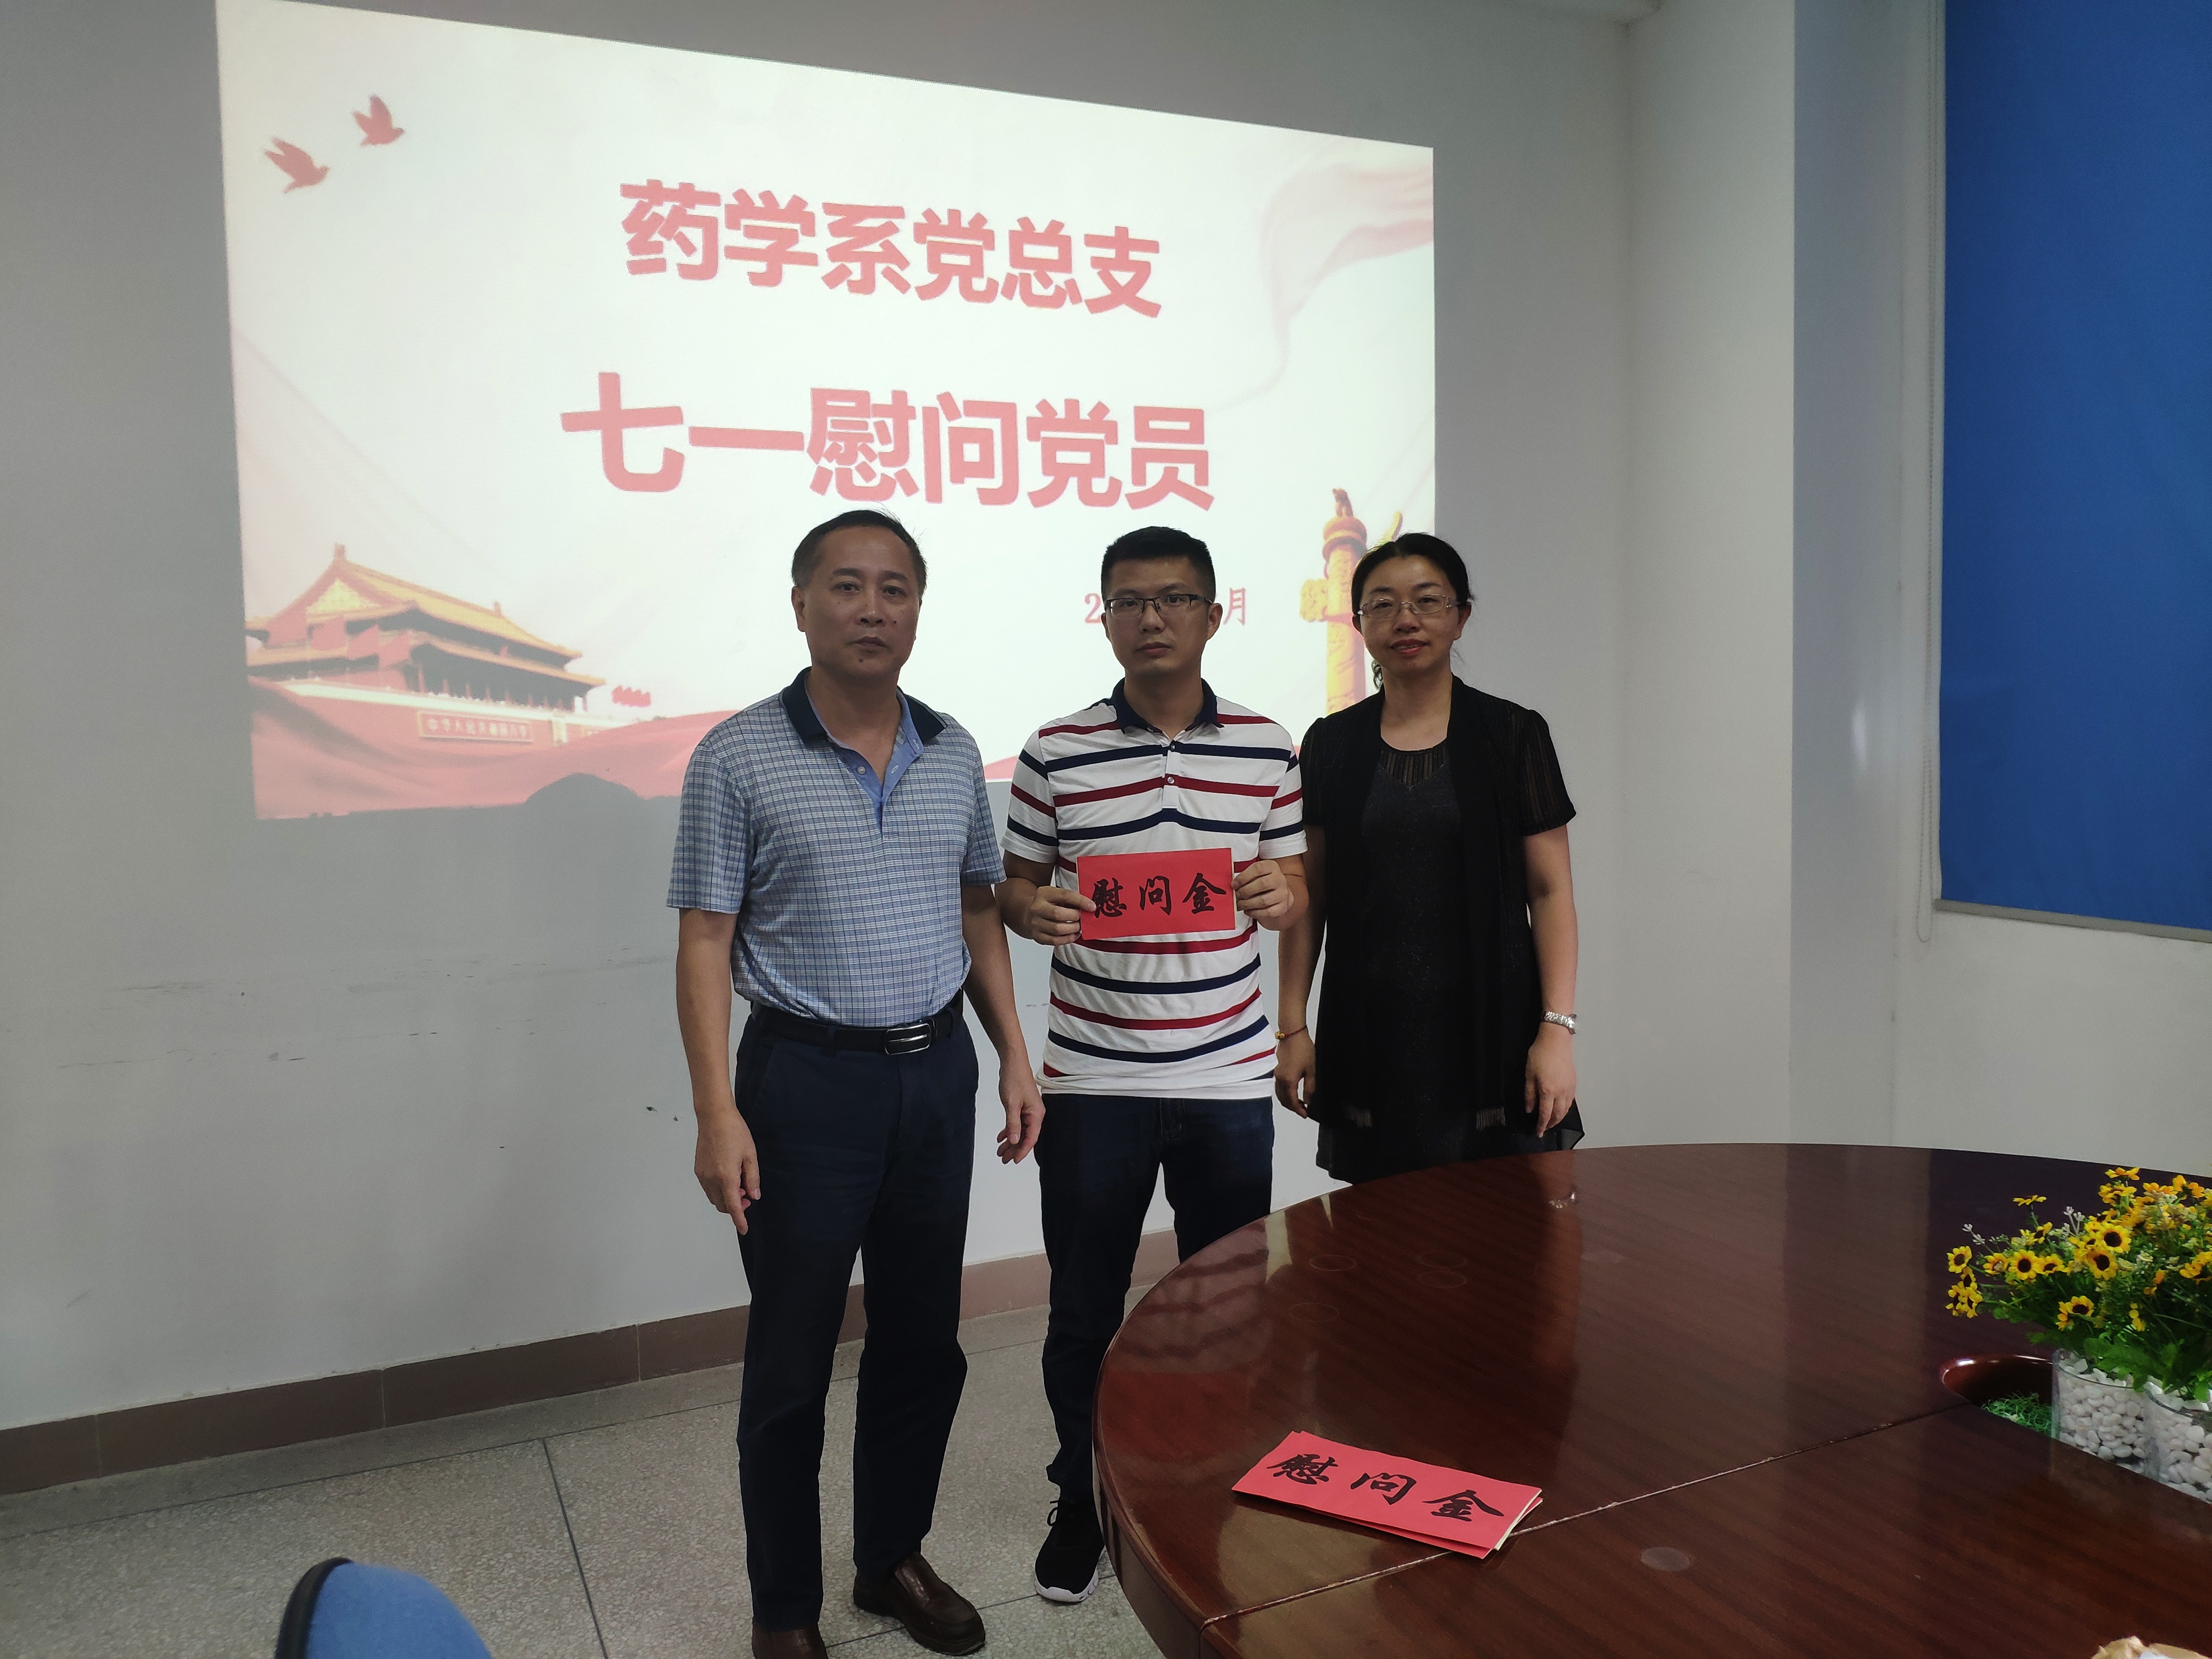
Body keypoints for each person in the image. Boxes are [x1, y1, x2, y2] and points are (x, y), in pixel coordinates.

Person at [670, 509, 1045, 1659]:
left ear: (918, 609)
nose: (871, 608)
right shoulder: (737, 755)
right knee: (791, 1362)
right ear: (801, 604)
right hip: (802, 1085)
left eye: (894, 588)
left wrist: (1012, 1051)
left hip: (933, 1075)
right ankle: (784, 1609)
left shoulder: (952, 749)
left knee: (922, 1343)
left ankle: (890, 1558)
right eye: (846, 585)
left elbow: (976, 907)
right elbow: (705, 940)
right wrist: (716, 1111)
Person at [998, 525, 1306, 1605]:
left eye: (1173, 598)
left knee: (1224, 1309)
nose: (1151, 619)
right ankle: (1083, 1500)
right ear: (1105, 617)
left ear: (1213, 615)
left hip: (1226, 1079)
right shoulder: (1054, 749)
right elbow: (1013, 886)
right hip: (1093, 1082)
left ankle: (1202, 1487)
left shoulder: (1268, 746)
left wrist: (1281, 898)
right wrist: (1031, 909)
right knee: (1084, 1307)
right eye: (1128, 601)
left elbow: (1293, 890)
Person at [1273, 532, 1583, 1182]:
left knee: (1502, 1223)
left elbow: (1551, 892)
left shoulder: (1513, 735)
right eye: (1382, 605)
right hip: (1371, 1031)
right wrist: (1293, 1027)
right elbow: (1312, 893)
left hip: (1493, 1031)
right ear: (1359, 624)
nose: (1405, 620)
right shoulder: (1330, 743)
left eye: (1426, 601)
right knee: (1378, 1228)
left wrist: (1556, 1030)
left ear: (1461, 615)